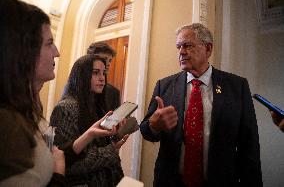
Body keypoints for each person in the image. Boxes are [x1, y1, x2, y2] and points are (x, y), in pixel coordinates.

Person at [140, 23, 262, 187]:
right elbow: (147, 131)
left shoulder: (236, 86)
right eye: (179, 47)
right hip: (171, 182)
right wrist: (154, 125)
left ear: (208, 49)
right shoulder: (165, 86)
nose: (181, 52)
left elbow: (249, 144)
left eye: (187, 46)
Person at [0, 0, 65, 186]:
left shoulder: (21, 108)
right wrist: (58, 174)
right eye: (49, 43)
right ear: (22, 51)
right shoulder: (7, 124)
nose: (57, 52)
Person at [50, 54, 128, 187]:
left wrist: (115, 136)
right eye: (95, 73)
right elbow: (68, 164)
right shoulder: (66, 108)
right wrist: (111, 151)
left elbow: (97, 146)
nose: (102, 78)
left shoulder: (97, 106)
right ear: (82, 76)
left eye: (104, 73)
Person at [87, 42, 121, 111]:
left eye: (110, 60)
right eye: (104, 59)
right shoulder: (77, 87)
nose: (108, 64)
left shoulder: (114, 93)